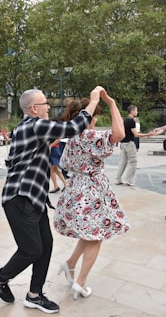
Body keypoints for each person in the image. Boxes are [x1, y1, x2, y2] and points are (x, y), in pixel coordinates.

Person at [0, 86, 104, 314]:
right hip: (20, 197)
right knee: (31, 249)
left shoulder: (31, 128)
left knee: (46, 246)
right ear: (34, 108)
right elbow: (72, 128)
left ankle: (35, 295)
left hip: (35, 199)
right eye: (45, 103)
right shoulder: (33, 125)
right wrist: (93, 101)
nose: (49, 107)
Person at [53, 92, 130, 300]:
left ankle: (70, 264)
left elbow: (65, 163)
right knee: (96, 237)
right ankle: (81, 282)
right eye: (95, 116)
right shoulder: (90, 136)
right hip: (92, 190)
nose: (96, 119)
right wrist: (112, 103)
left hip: (76, 188)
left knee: (90, 233)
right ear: (90, 117)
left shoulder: (72, 138)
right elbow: (120, 134)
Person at [115, 105, 154, 186]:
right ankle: (128, 180)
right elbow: (135, 134)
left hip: (123, 143)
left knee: (123, 162)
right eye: (136, 110)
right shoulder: (131, 121)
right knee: (133, 162)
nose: (137, 112)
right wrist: (147, 134)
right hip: (129, 143)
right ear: (132, 111)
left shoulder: (125, 120)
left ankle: (118, 179)